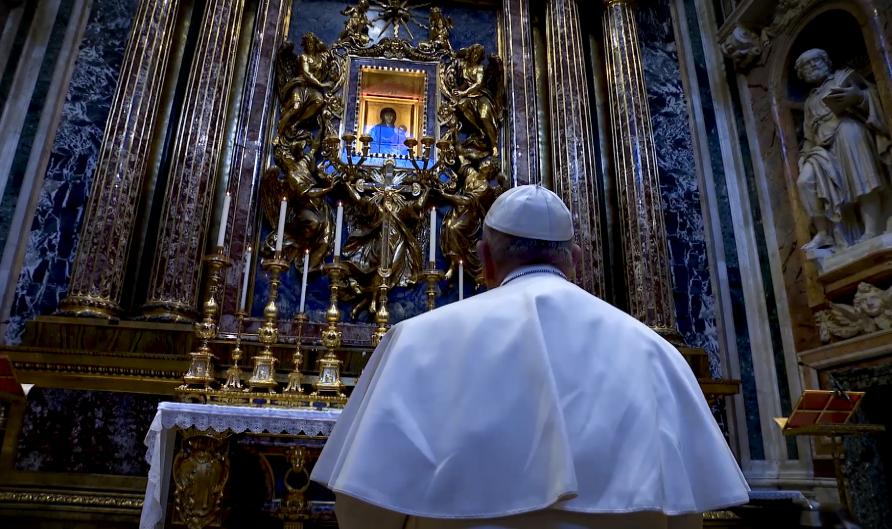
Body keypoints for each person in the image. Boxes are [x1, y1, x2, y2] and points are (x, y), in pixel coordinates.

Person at [312, 185, 750, 528]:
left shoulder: (413, 340)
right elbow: (685, 506)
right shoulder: (655, 350)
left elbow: (365, 498)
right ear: (574, 259)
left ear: (483, 259)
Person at [794, 48, 891, 251]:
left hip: (848, 130)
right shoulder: (810, 101)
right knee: (804, 181)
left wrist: (858, 98)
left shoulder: (844, 77)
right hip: (822, 148)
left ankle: (872, 229)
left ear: (826, 62)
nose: (811, 66)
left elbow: (873, 96)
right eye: (805, 66)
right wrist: (804, 156)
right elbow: (809, 136)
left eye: (815, 61)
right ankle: (824, 233)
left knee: (861, 179)